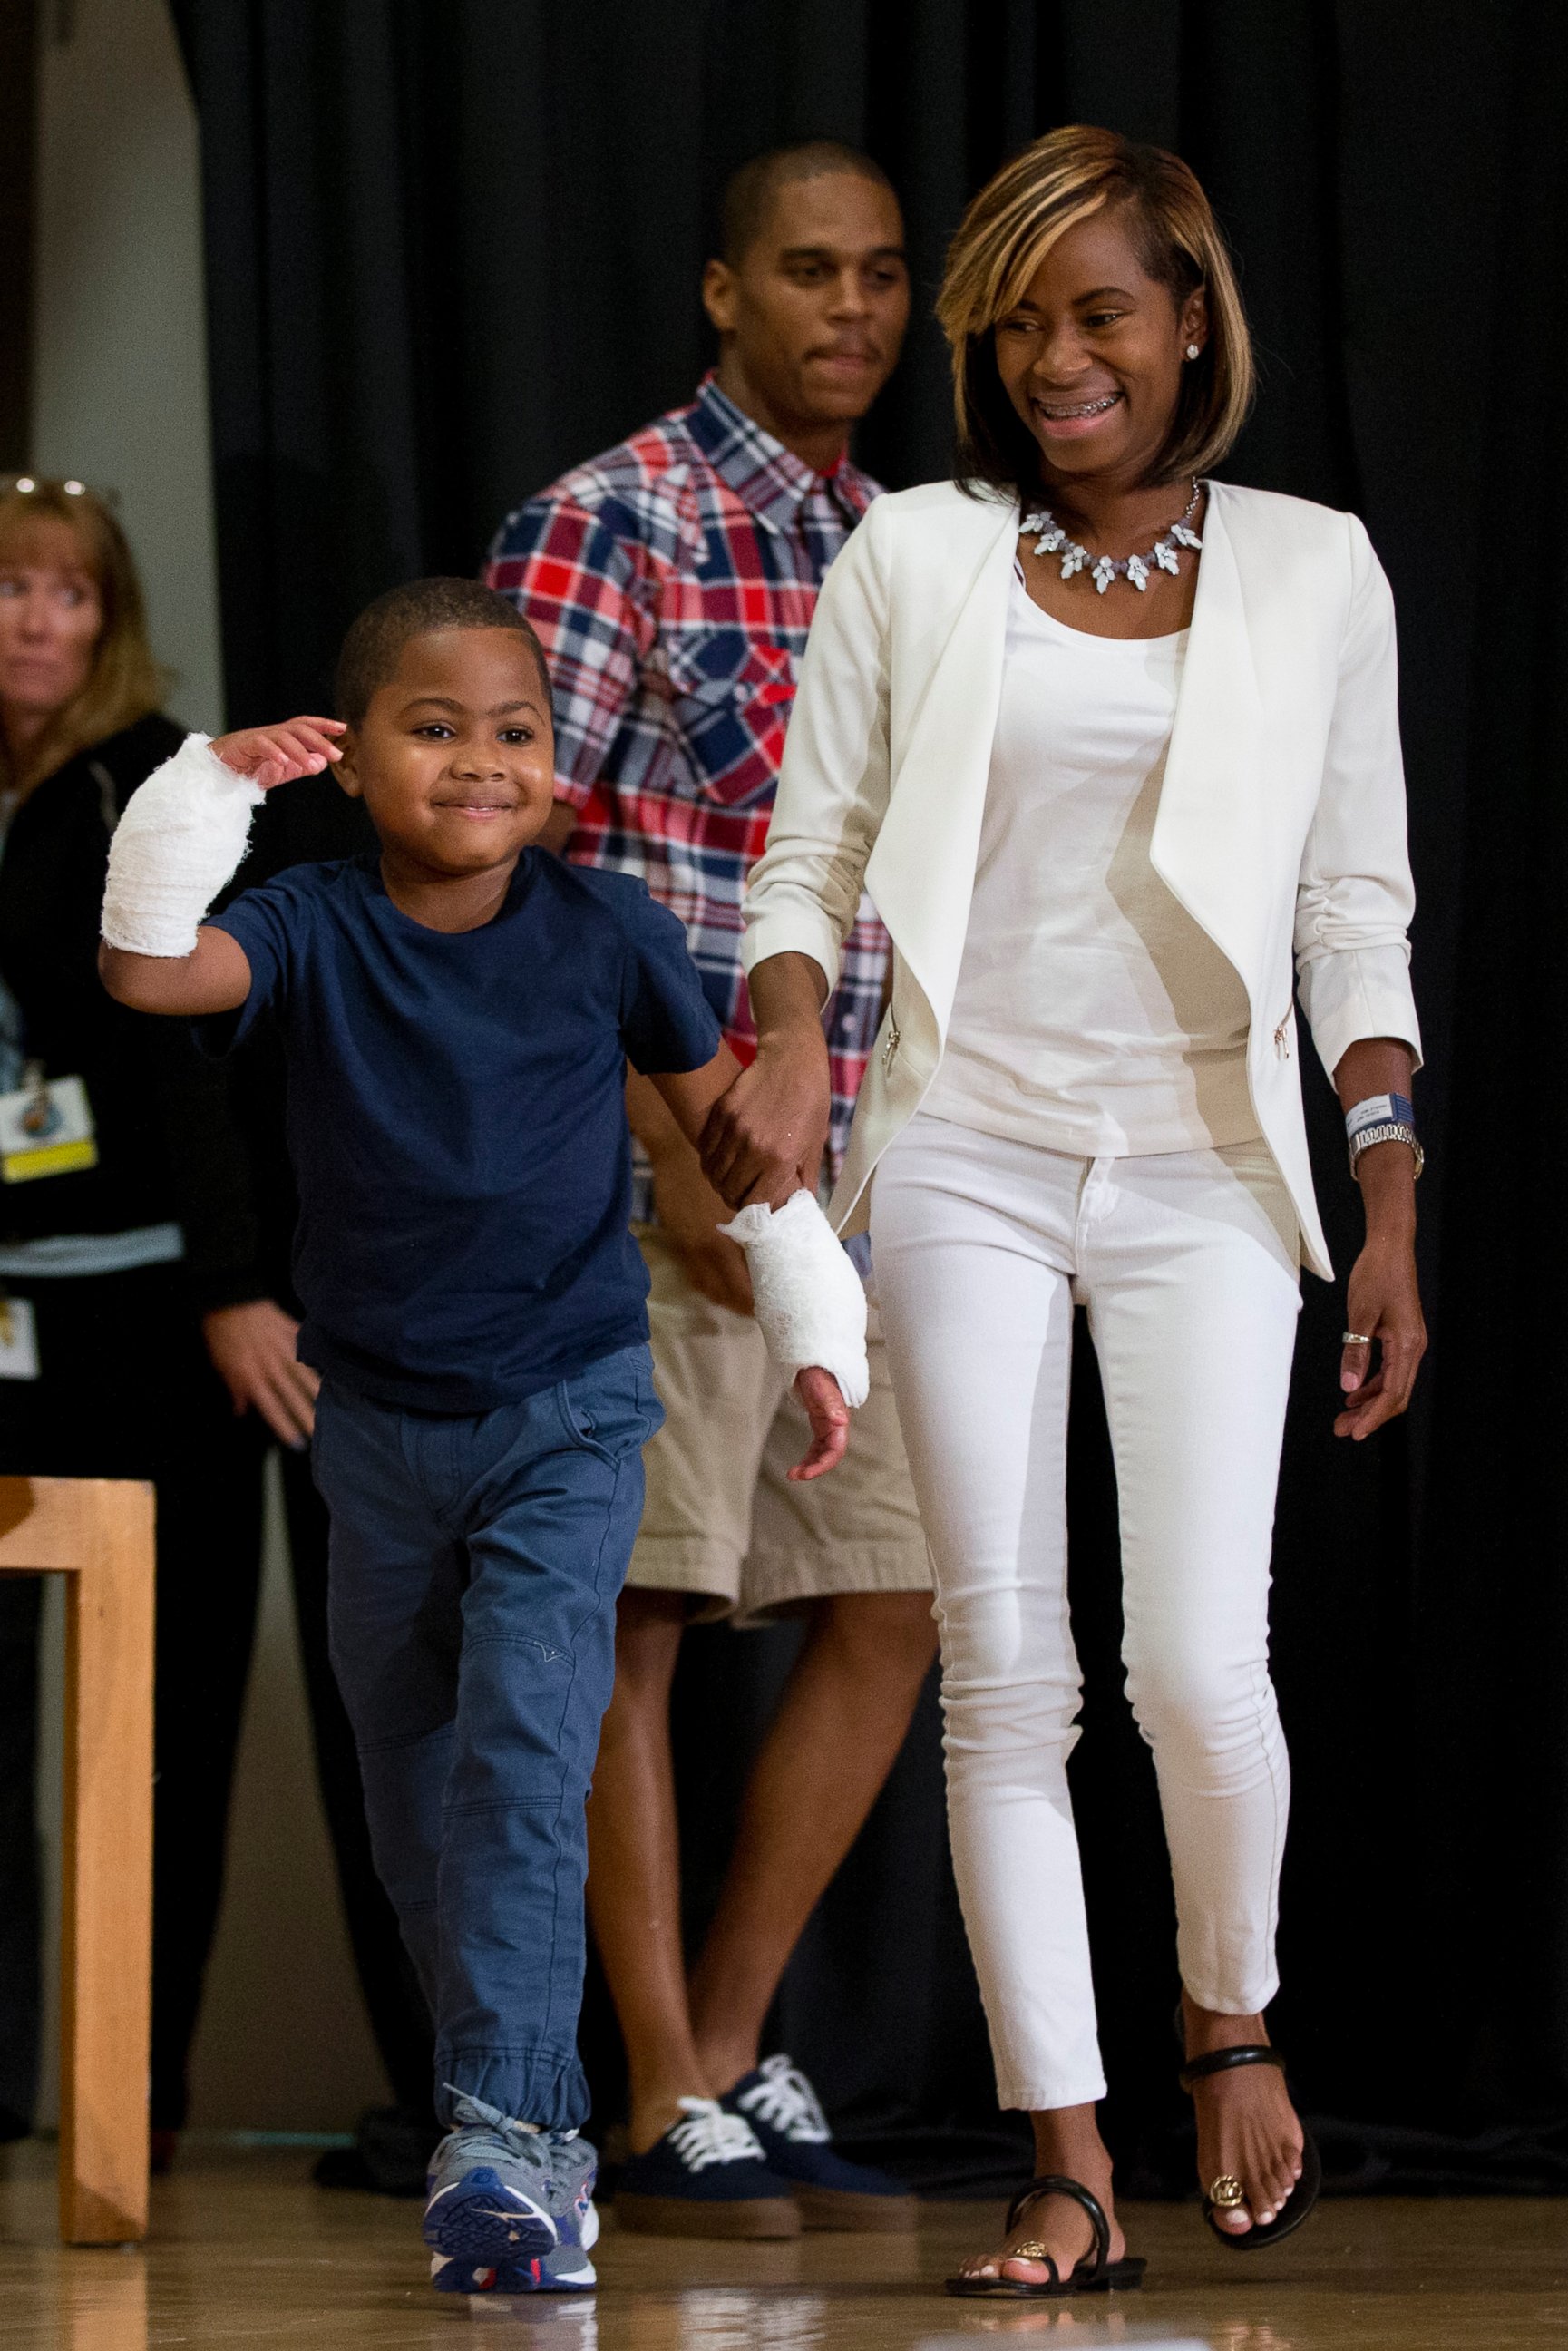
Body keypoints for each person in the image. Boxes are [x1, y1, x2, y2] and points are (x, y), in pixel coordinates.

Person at [703, 125, 1426, 2297]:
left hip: (1211, 1155)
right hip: (962, 1145)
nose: (1052, 360)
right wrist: (785, 1034)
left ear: (1189, 314)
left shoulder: (1316, 566)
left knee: (1199, 1663)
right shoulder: (913, 555)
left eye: (1095, 311)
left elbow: (1352, 912)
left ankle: (1234, 2024)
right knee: (1003, 1682)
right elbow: (806, 865)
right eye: (1014, 323)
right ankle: (1066, 2159)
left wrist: (1386, 1194)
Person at [98, 576, 855, 2297]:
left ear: (558, 761)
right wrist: (209, 784)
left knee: (525, 1760)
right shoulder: (304, 921)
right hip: (375, 1430)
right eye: (432, 731)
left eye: (512, 730)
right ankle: (500, 2126)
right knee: (416, 1800)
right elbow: (145, 970)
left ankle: (516, 2150)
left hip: (571, 1412)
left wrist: (821, 1335)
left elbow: (732, 1151)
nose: (478, 761)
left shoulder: (607, 935)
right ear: (351, 761)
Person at [484, 139, 933, 2238]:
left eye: (882, 278)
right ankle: (651, 2084)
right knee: (640, 1609)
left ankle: (735, 2051)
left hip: (863, 1163)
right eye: (807, 274)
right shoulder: (613, 521)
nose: (850, 310)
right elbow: (518, 862)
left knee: (897, 1600)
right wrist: (667, 1136)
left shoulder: (912, 547)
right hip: (662, 1157)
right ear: (722, 295)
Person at [0, 473, 409, 2157]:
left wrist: (240, 1289)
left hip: (155, 1322)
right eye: (12, 587)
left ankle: (127, 2109)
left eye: (69, 594)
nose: (37, 620)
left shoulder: (155, 780)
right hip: (2, 1320)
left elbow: (199, 1061)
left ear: (114, 619)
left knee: (148, 1723)